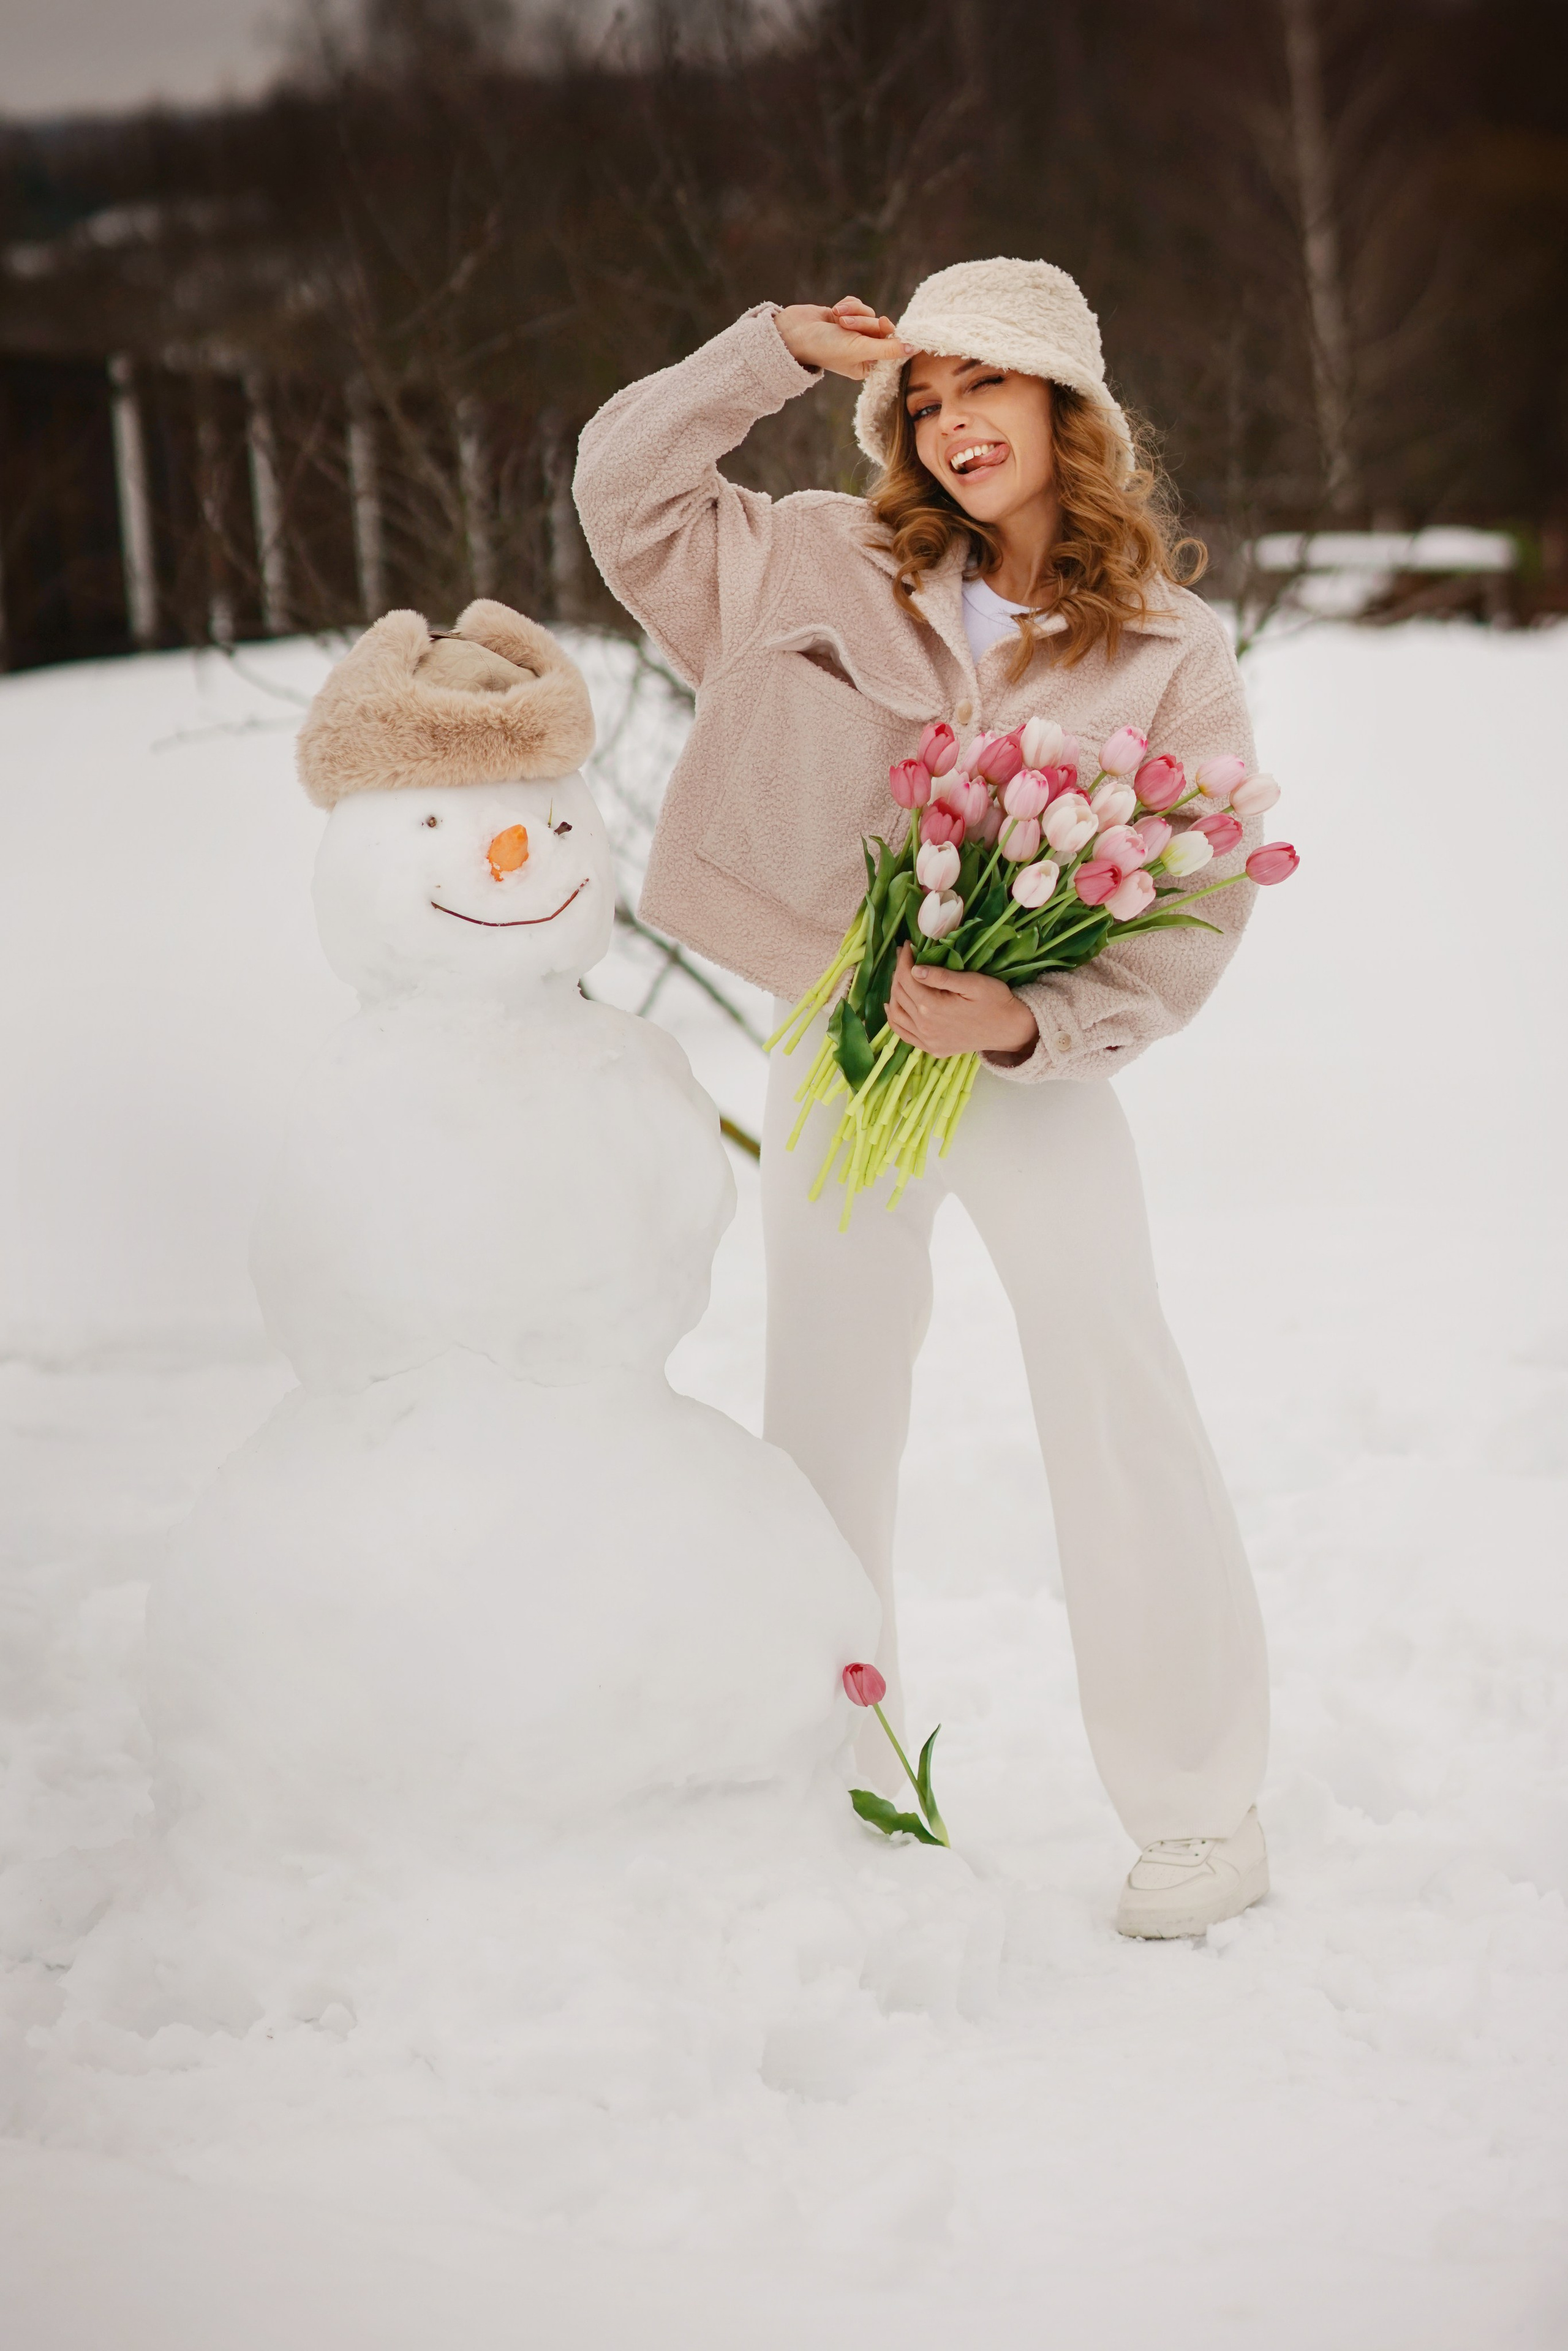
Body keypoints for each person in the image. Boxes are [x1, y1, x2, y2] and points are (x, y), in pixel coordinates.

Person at [574, 258, 1270, 1938]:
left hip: (1031, 1073)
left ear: (1065, 409)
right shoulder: (814, 559)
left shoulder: (1172, 651)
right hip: (844, 1045)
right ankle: (832, 1772)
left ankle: (1200, 1808)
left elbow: (1200, 906)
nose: (954, 424)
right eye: (928, 399)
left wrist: (1031, 1025)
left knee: (1113, 1380)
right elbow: (623, 487)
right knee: (825, 1408)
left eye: (990, 390)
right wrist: (766, 355)